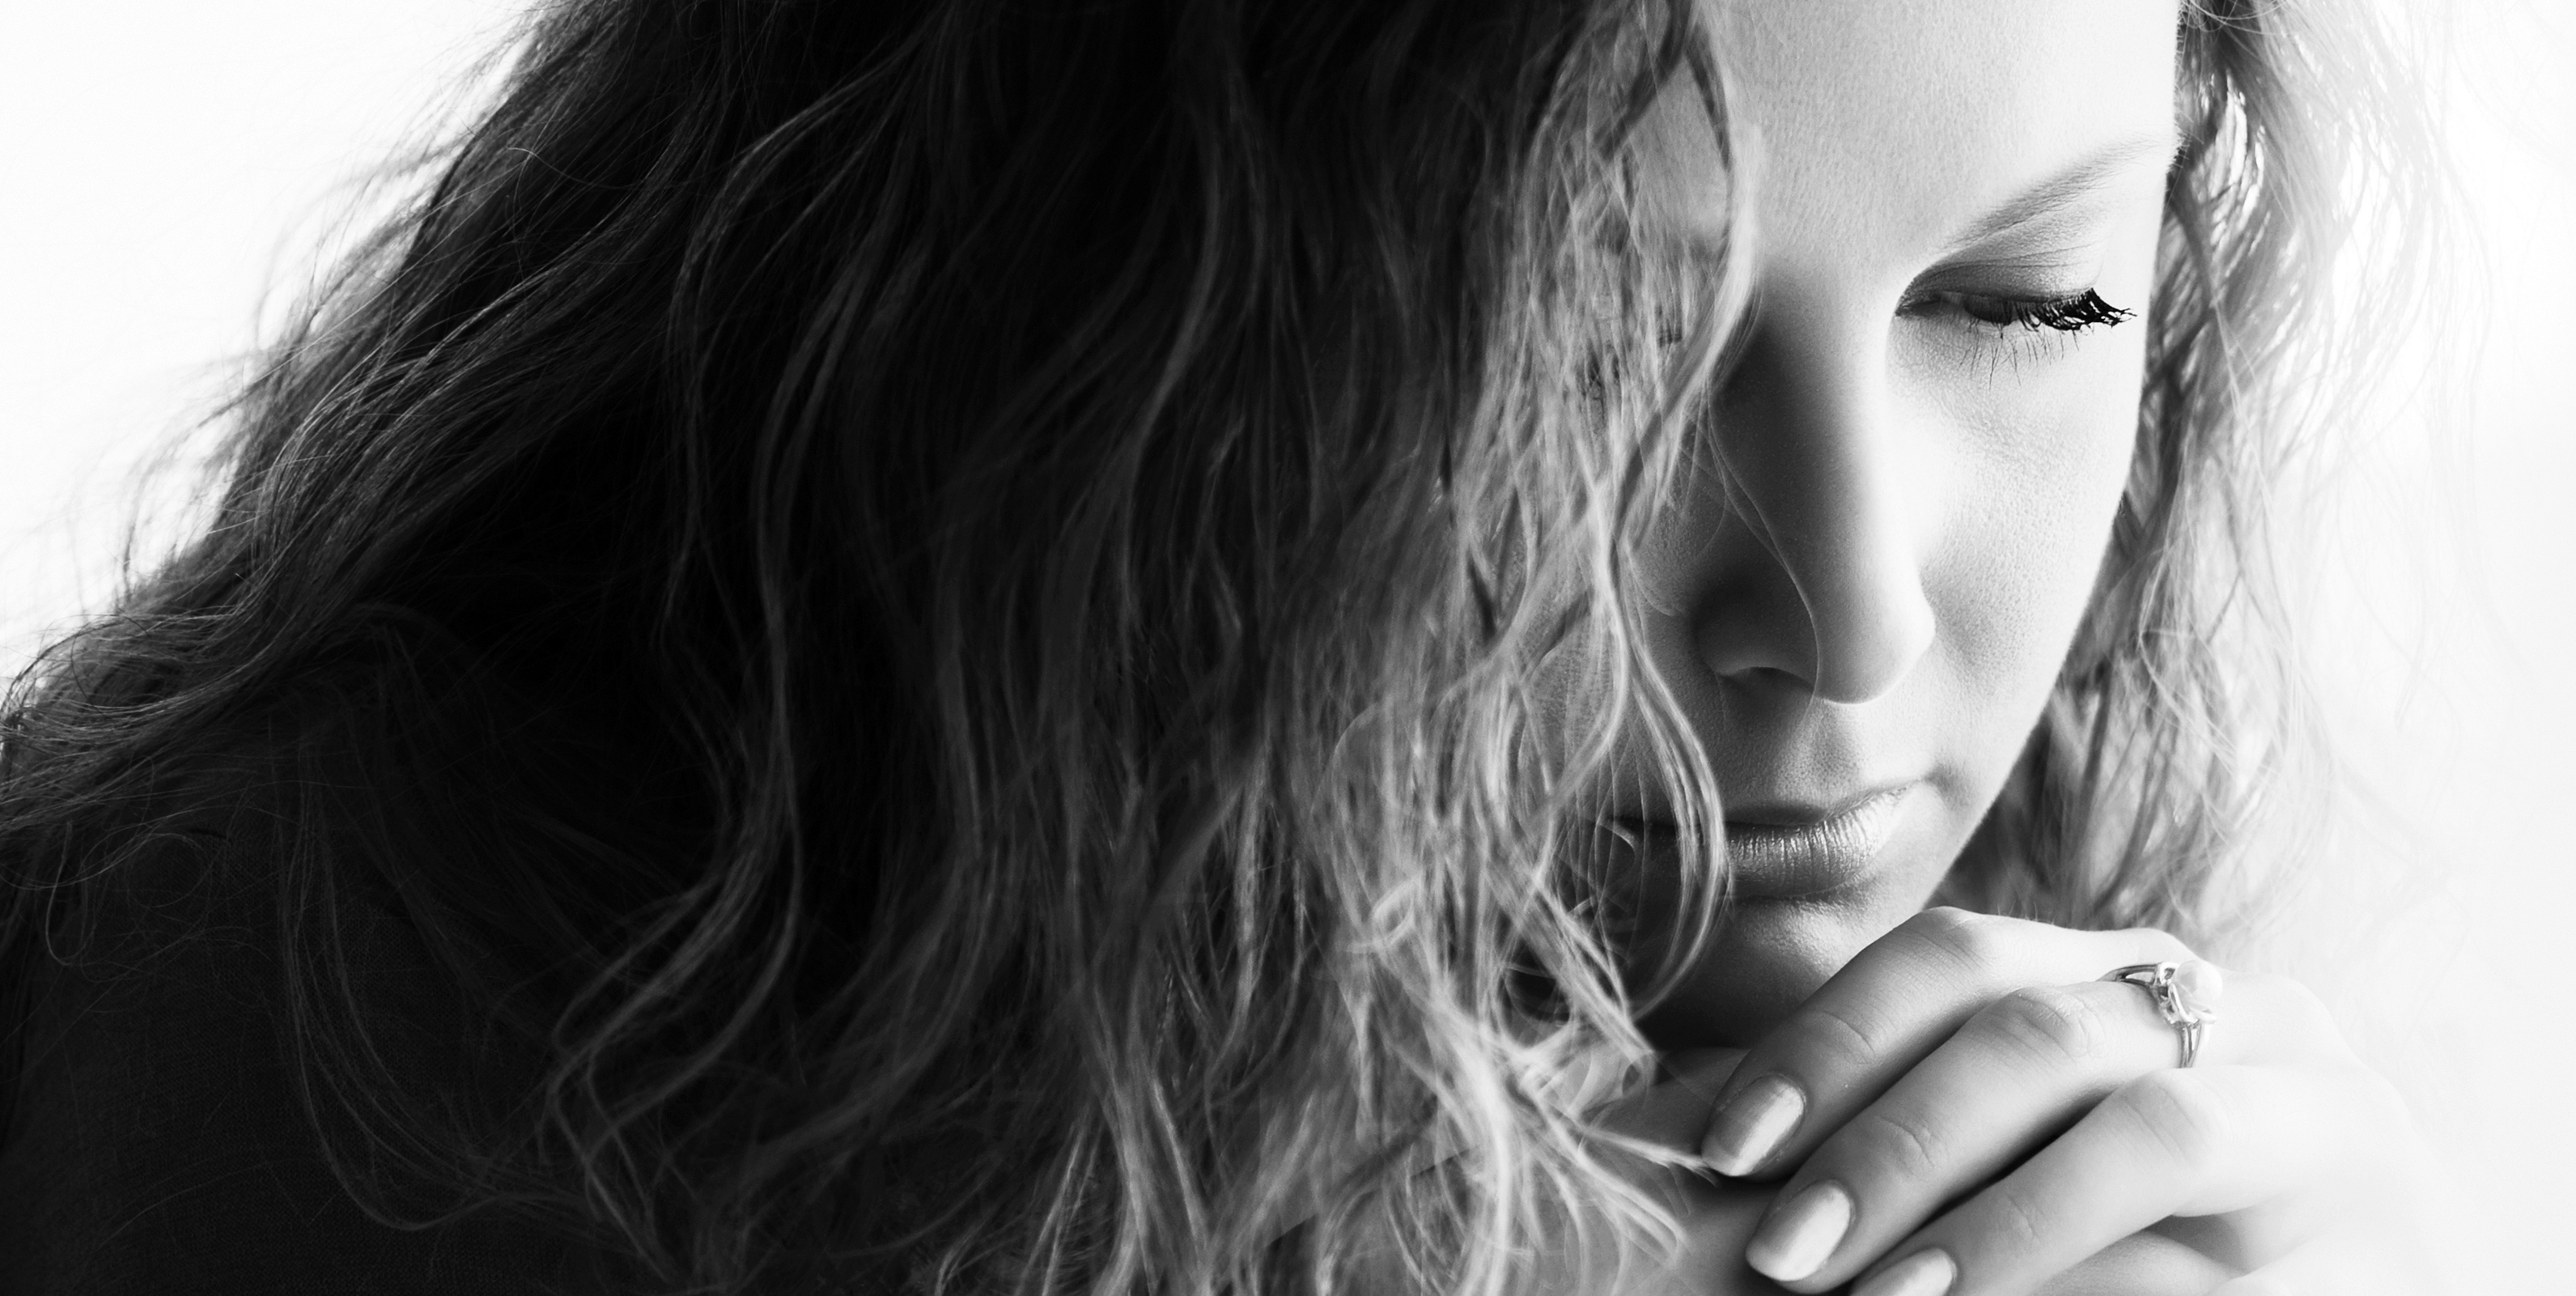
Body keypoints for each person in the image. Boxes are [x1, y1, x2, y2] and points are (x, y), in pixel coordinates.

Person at [0, 0, 2438, 1291]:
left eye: (2036, 301)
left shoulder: (1940, 1073)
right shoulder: (340, 1008)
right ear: (1062, 302)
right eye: (1575, 343)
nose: (1859, 600)